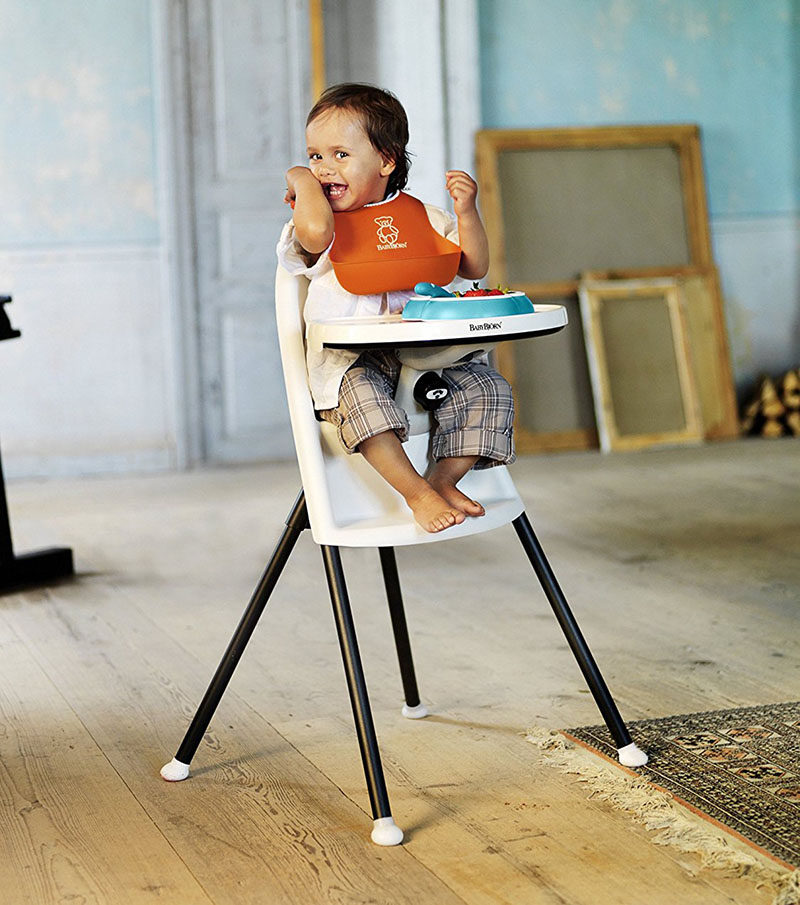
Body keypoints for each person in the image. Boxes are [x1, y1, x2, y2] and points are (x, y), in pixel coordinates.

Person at [277, 83, 515, 533]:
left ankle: (443, 479)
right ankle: (415, 492)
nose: (324, 167)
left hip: (428, 359)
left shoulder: (421, 217)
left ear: (386, 161)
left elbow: (473, 265)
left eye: (339, 155)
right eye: (314, 156)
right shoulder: (320, 227)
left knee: (489, 387)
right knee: (364, 400)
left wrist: (466, 214)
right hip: (353, 366)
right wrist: (301, 179)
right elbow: (312, 233)